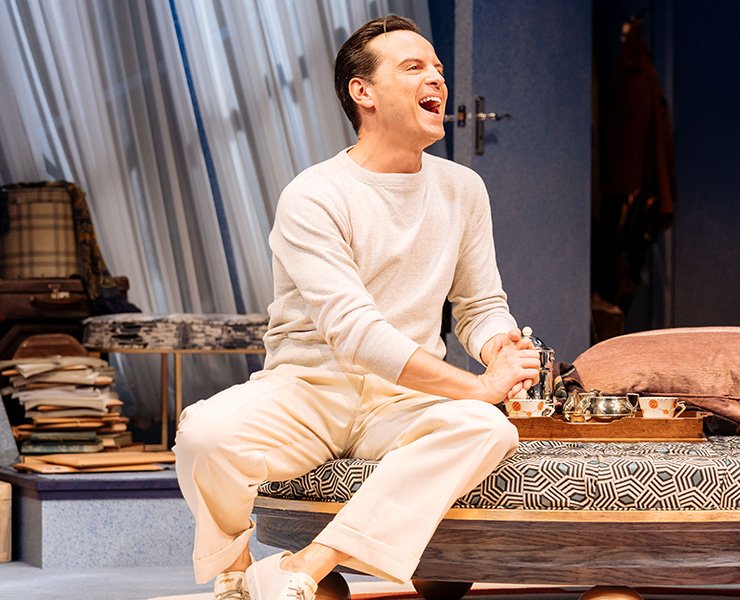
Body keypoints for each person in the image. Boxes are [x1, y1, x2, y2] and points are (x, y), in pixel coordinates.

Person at [173, 15, 542, 600]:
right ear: (362, 92)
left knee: (485, 429)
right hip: (309, 389)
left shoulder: (463, 189)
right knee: (203, 434)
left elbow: (478, 304)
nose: (438, 81)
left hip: (402, 400)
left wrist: (500, 346)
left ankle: (308, 567)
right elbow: (355, 332)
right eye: (415, 67)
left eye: (439, 70)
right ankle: (238, 572)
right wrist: (477, 385)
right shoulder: (314, 194)